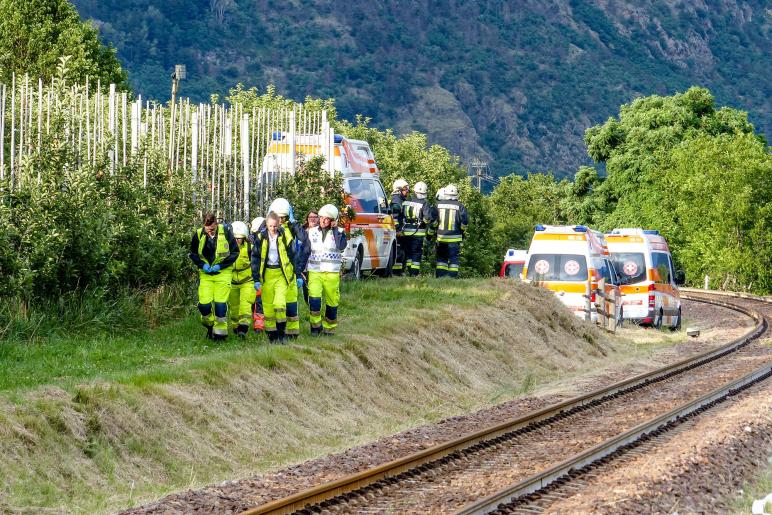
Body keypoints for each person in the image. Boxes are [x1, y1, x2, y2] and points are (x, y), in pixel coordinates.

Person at [189, 212, 239, 340]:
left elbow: (235, 253)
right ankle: (210, 326)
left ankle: (220, 335)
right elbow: (193, 254)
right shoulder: (199, 234)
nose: (210, 232)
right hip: (206, 275)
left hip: (223, 273)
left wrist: (220, 266)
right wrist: (202, 265)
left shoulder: (226, 232)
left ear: (216, 224)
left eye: (212, 229)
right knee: (204, 305)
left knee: (220, 305)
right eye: (207, 230)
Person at [251, 212, 300, 343]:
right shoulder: (261, 237)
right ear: (266, 225)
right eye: (270, 226)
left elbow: (293, 255)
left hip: (281, 274)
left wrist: (298, 274)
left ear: (279, 224)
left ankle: (281, 333)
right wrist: (256, 279)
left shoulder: (284, 235)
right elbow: (255, 258)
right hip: (267, 275)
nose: (273, 229)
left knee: (279, 304)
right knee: (267, 308)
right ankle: (272, 337)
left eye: (275, 226)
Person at [307, 204, 347, 335]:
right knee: (314, 300)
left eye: (327, 219)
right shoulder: (311, 232)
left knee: (332, 301)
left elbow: (341, 246)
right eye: (322, 218)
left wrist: (335, 230)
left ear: (333, 220)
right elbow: (305, 251)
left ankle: (329, 328)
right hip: (314, 271)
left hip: (331, 272)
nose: (323, 221)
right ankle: (315, 327)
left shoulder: (340, 233)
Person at [400, 181, 436, 276]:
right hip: (418, 232)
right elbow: (428, 218)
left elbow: (401, 215)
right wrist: (423, 222)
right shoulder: (424, 203)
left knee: (408, 253)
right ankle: (414, 274)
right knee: (416, 253)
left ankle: (409, 270)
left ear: (414, 191)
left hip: (406, 231)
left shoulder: (406, 201)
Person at [226, 221, 254, 338]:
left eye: (240, 238)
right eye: (235, 238)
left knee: (245, 305)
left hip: (247, 281)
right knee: (234, 307)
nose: (237, 240)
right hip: (232, 282)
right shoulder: (226, 249)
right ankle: (236, 327)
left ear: (244, 238)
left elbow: (257, 264)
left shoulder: (250, 249)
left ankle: (244, 328)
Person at [435, 184, 468, 278]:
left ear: (445, 193)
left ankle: (441, 278)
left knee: (441, 259)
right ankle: (452, 278)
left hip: (441, 237)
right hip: (455, 238)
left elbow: (433, 220)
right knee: (454, 259)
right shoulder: (460, 206)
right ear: (456, 194)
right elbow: (465, 222)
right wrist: (462, 230)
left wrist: (433, 231)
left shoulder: (438, 205)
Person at [249, 217, 266, 333]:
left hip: (263, 273)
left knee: (259, 300)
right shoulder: (250, 242)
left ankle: (259, 325)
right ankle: (258, 324)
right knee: (256, 301)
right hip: (253, 274)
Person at [390, 178, 409, 276]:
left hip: (401, 230)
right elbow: (395, 217)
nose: (407, 191)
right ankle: (396, 272)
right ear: (398, 189)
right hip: (397, 231)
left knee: (402, 252)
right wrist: (397, 230)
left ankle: (400, 271)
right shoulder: (396, 200)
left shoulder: (400, 199)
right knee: (399, 252)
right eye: (405, 189)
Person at [301, 210, 319, 303]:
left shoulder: (322, 231)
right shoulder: (302, 231)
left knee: (315, 288)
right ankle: (308, 305)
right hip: (305, 264)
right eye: (310, 217)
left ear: (318, 219)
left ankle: (314, 306)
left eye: (315, 217)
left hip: (317, 264)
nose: (312, 219)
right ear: (307, 219)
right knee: (306, 287)